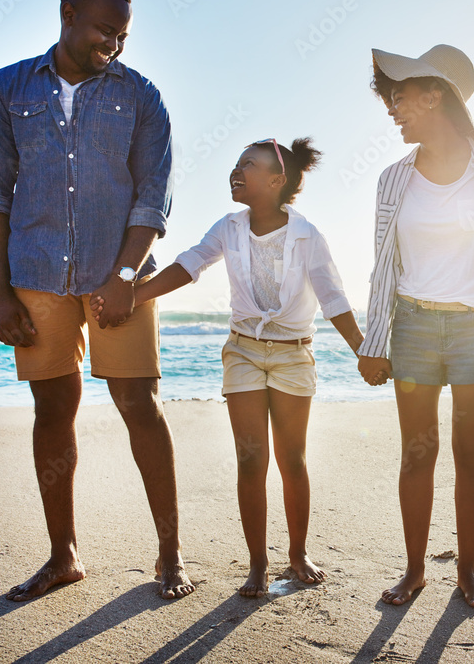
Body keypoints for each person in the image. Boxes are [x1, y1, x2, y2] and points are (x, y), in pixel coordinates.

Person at [0, 0, 194, 600]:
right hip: (35, 274)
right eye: (105, 30)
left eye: (123, 35)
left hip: (117, 277)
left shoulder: (142, 96)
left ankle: (170, 554)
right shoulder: (4, 89)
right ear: (68, 12)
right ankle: (63, 555)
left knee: (139, 404)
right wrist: (0, 293)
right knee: (53, 409)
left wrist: (125, 274)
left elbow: (153, 197)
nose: (114, 45)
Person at [94, 138, 364, 596]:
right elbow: (191, 264)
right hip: (243, 351)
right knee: (250, 458)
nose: (237, 171)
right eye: (237, 164)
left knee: (291, 459)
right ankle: (258, 564)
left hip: (294, 353)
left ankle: (297, 555)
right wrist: (133, 295)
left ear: (277, 181)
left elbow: (333, 296)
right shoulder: (230, 227)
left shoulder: (306, 234)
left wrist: (363, 349)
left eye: (250, 166)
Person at [356, 45, 474, 608]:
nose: (392, 109)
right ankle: (414, 571)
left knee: (471, 452)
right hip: (412, 327)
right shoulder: (391, 179)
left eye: (399, 96)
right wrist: (373, 341)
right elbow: (383, 268)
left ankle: (468, 572)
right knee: (416, 452)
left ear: (434, 95)